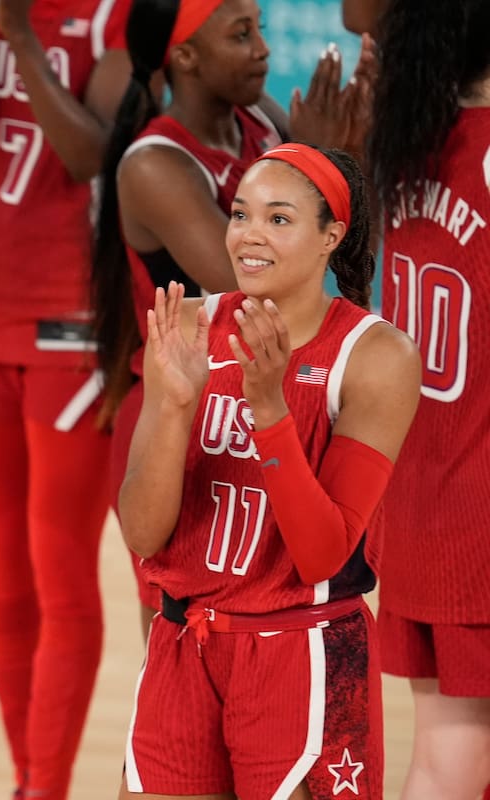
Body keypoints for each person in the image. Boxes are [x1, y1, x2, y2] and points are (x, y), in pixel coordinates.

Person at [117, 143, 420, 799]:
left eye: (279, 219)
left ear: (330, 236)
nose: (250, 236)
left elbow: (321, 554)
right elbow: (143, 536)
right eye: (240, 215)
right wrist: (172, 406)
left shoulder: (376, 357)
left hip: (303, 654)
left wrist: (271, 409)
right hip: (184, 642)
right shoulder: (192, 327)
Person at [91, 0, 367, 631]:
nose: (263, 50)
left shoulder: (260, 123)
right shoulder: (155, 162)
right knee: (180, 626)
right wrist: (318, 153)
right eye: (241, 35)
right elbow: (248, 288)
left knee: (277, 610)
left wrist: (350, 148)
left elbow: (335, 236)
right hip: (177, 409)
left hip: (266, 398)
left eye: (261, 30)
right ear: (184, 56)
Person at [0, 0, 133, 797]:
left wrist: (22, 44)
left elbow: (88, 155)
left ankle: (46, 784)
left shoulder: (114, 14)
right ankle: (24, 780)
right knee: (6, 573)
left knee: (63, 573)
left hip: (73, 318)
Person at [362, 1, 490, 797]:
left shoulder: (409, 137)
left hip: (417, 501)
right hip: (476, 510)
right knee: (453, 765)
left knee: (447, 754)